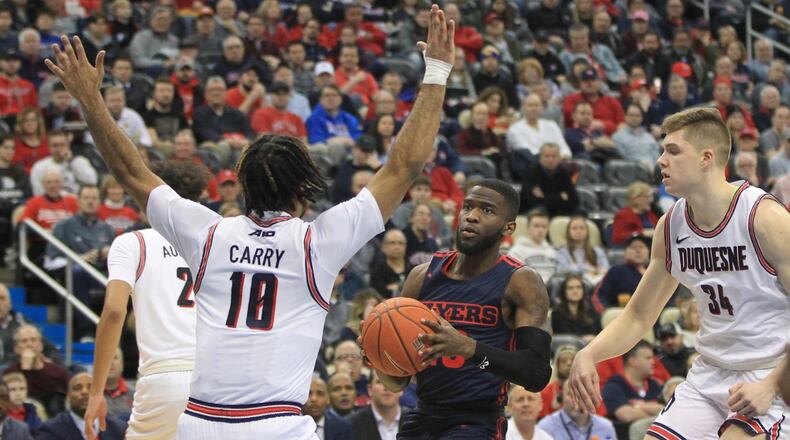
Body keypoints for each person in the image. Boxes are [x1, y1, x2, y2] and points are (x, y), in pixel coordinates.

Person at [46, 4, 455, 437]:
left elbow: (131, 172)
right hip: (273, 424)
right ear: (303, 190)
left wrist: (90, 98)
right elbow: (404, 166)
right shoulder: (316, 243)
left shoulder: (208, 234)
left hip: (199, 423)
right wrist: (437, 72)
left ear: (243, 185)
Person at [567, 107, 790, 438]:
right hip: (709, 375)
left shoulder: (764, 218)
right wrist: (589, 354)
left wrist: (772, 385)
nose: (661, 160)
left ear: (706, 158)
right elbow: (638, 317)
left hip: (770, 373)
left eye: (673, 151)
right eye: (662, 150)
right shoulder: (671, 226)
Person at [367, 179, 552, 439]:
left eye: (486, 210)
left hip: (477, 421)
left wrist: (468, 349)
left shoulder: (520, 281)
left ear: (508, 227)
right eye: (467, 207)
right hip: (422, 416)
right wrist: (378, 355)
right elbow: (397, 382)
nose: (472, 217)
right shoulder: (422, 276)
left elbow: (536, 374)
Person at [83, 160, 210, 440]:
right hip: (215, 376)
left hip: (163, 376)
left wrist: (96, 392)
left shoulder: (133, 243)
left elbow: (115, 312)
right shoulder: (216, 241)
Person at [36, 373, 127, 439]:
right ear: (68, 396)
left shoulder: (119, 429)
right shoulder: (50, 430)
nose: (84, 392)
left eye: (90, 387)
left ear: (101, 393)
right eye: (77, 388)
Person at [601, 340, 663, 422]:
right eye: (648, 358)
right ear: (633, 361)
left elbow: (664, 410)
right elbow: (626, 415)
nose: (653, 362)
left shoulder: (654, 385)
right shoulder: (613, 386)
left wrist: (637, 406)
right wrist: (655, 415)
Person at [537, 385, 616, 440]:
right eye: (570, 394)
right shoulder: (546, 427)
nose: (575, 400)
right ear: (562, 397)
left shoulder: (606, 427)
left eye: (580, 394)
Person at [348, 369, 406, 440]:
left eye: (392, 382)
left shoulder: (418, 421)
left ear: (401, 389)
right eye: (380, 382)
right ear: (369, 390)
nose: (386, 387)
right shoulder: (351, 424)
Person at [303, 375, 352, 440]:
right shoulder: (291, 425)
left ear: (328, 398)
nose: (314, 399)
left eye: (320, 393)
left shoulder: (342, 427)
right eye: (309, 394)